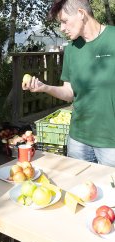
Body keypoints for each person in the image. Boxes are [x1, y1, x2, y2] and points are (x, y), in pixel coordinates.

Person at [22, 0, 115, 167]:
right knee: (78, 189)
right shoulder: (71, 49)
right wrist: (44, 87)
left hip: (111, 142)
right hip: (78, 140)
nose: (62, 28)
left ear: (81, 13)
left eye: (64, 21)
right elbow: (69, 92)